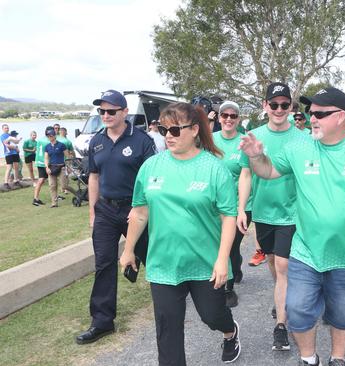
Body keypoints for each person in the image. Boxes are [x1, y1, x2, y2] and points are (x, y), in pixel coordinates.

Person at [240, 86, 345, 366]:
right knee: (298, 309)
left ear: (340, 116)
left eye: (319, 113)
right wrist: (256, 156)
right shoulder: (298, 147)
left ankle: (337, 358)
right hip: (306, 251)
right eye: (309, 112)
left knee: (343, 314)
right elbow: (268, 171)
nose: (311, 118)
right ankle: (308, 358)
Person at [120, 102, 241, 365]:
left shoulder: (214, 168)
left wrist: (223, 259)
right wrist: (128, 250)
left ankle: (229, 332)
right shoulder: (151, 166)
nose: (168, 136)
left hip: (205, 262)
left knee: (212, 315)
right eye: (164, 130)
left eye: (175, 130)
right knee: (167, 330)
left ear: (195, 130)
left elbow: (228, 216)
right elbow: (140, 213)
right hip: (163, 263)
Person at [76, 90, 156, 345]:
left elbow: (153, 179)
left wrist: (142, 206)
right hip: (106, 212)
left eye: (111, 111)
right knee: (104, 264)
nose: (106, 116)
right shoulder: (96, 141)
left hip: (137, 210)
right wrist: (92, 212)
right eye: (102, 111)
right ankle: (102, 322)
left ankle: (170, 301)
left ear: (124, 112)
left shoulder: (141, 140)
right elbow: (94, 177)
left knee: (153, 256)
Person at [237, 82, 304, 352]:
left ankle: (281, 326)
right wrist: (242, 208)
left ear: (291, 107)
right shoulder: (253, 136)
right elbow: (246, 173)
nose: (279, 109)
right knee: (275, 265)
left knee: (284, 267)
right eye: (273, 104)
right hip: (264, 213)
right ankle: (282, 300)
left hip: (292, 213)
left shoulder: (303, 138)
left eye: (284, 105)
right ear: (265, 106)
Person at [212, 101, 250, 308]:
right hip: (215, 205)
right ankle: (225, 276)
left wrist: (241, 208)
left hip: (239, 204)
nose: (228, 119)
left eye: (233, 116)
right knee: (219, 243)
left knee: (232, 245)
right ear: (219, 118)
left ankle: (228, 287)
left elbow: (246, 174)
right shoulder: (210, 140)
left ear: (238, 119)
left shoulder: (243, 143)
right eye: (224, 115)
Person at [44, 127, 73, 208]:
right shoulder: (47, 147)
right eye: (48, 136)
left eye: (51, 135)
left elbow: (67, 157)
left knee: (64, 186)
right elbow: (46, 158)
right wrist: (47, 167)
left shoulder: (61, 145)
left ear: (54, 136)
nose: (50, 137)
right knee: (52, 186)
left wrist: (69, 167)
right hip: (51, 168)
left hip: (61, 167)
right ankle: (54, 203)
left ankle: (76, 193)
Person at [32, 128, 50, 206]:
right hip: (44, 162)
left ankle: (36, 198)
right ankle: (35, 198)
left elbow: (37, 150)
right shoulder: (48, 141)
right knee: (43, 179)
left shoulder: (40, 140)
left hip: (39, 161)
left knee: (43, 180)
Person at [2, 124, 21, 188]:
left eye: (7, 128)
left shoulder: (10, 135)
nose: (7, 129)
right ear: (3, 129)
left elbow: (15, 143)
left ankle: (16, 181)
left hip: (15, 153)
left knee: (16, 167)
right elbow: (6, 145)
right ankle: (6, 183)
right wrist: (15, 148)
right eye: (5, 128)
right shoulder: (3, 136)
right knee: (9, 168)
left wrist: (17, 147)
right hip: (8, 153)